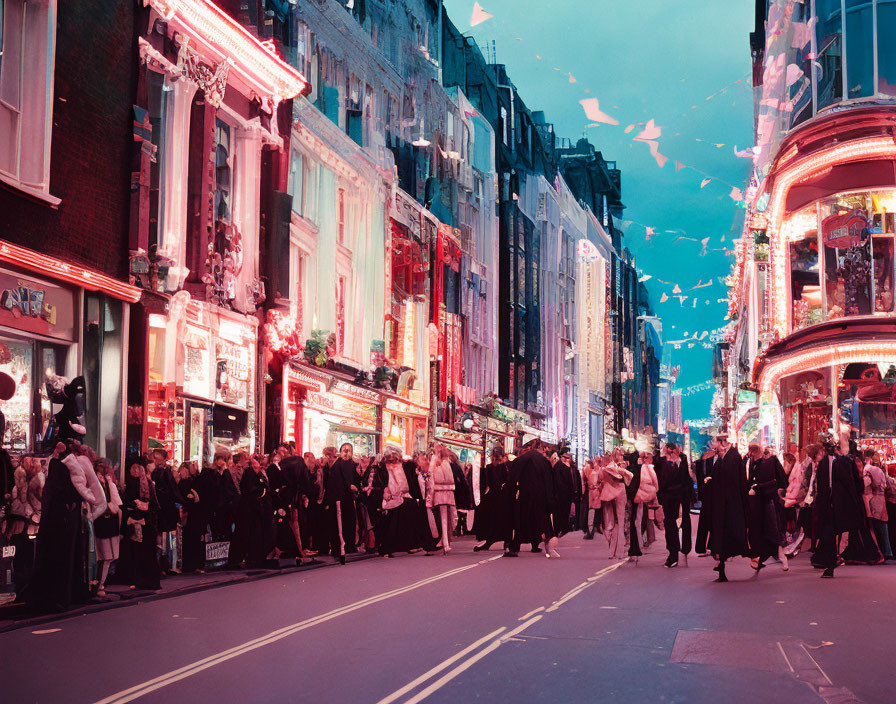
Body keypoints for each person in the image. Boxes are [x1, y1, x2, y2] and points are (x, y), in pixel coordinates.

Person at [705, 435, 748, 583]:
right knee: (722, 535)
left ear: (722, 443)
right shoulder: (724, 457)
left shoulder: (733, 457)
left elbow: (734, 481)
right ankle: (720, 564)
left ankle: (723, 562)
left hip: (729, 504)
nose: (714, 445)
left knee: (730, 534)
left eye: (716, 442)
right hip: (722, 505)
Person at [745, 445, 789, 573]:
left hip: (765, 503)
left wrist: (757, 487)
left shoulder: (760, 464)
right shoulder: (768, 462)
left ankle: (772, 558)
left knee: (770, 531)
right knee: (771, 532)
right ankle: (778, 558)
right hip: (767, 501)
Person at [506, 440, 553, 557]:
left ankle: (515, 547)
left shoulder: (523, 459)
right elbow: (549, 481)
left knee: (522, 519)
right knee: (539, 519)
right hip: (541, 494)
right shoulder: (543, 461)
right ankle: (536, 544)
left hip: (526, 493)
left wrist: (511, 491)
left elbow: (513, 475)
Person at [120, 457, 161, 591]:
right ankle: (147, 580)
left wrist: (139, 506)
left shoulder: (140, 483)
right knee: (144, 552)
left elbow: (128, 503)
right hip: (146, 522)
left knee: (139, 552)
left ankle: (141, 580)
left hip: (141, 522)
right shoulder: (146, 483)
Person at [657, 443, 692, 568]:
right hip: (670, 498)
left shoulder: (681, 461)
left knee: (676, 524)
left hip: (678, 497)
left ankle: (678, 552)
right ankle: (673, 553)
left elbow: (687, 479)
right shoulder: (663, 462)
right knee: (670, 525)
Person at [326, 443, 361, 564]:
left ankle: (348, 546)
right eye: (344, 450)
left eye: (349, 450)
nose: (346, 453)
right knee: (340, 524)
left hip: (346, 499)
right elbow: (348, 482)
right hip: (340, 498)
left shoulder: (350, 464)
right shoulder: (341, 463)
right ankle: (341, 549)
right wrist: (352, 486)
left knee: (349, 522)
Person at [473, 447, 513, 552]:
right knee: (503, 519)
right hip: (503, 497)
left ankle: (494, 540)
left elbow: (489, 482)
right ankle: (506, 541)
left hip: (494, 496)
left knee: (495, 519)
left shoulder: (492, 467)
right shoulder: (506, 466)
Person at [150, 448, 183, 574]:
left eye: (156, 458)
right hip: (163, 510)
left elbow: (171, 490)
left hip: (164, 510)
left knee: (164, 537)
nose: (154, 460)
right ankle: (164, 565)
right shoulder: (162, 472)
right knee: (162, 536)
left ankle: (164, 565)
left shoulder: (162, 472)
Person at [93, 459, 122, 597]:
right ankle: (98, 585)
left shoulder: (108, 481)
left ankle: (101, 583)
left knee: (109, 556)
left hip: (109, 520)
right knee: (103, 556)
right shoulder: (95, 481)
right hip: (101, 520)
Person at [238, 457, 275, 568]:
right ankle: (252, 558)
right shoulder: (250, 475)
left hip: (258, 510)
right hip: (251, 510)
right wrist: (262, 490)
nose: (260, 467)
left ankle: (257, 556)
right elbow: (252, 490)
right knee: (253, 534)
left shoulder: (257, 475)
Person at [598, 454, 630, 560]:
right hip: (620, 492)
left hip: (611, 495)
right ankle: (618, 551)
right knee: (619, 523)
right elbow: (629, 476)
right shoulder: (617, 468)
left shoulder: (608, 469)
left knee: (611, 523)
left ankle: (614, 551)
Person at [863, 450, 893, 561]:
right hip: (880, 499)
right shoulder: (879, 470)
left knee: (876, 527)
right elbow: (886, 485)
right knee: (882, 526)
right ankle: (887, 551)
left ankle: (881, 551)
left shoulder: (868, 469)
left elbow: (868, 486)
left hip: (873, 499)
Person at [178, 461, 207, 573]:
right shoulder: (186, 482)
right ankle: (192, 564)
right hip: (190, 514)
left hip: (193, 515)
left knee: (192, 539)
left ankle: (192, 564)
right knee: (191, 539)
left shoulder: (190, 482)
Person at [430, 445, 457, 554]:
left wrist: (430, 496)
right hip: (448, 492)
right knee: (446, 518)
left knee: (442, 519)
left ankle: (444, 541)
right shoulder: (447, 463)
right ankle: (445, 541)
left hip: (438, 492)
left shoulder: (434, 462)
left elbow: (431, 478)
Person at [633, 452, 659, 553]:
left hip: (641, 496)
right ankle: (645, 540)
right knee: (645, 519)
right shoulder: (648, 468)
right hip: (645, 496)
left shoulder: (643, 468)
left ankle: (642, 541)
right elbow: (655, 483)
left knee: (641, 520)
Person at [583, 459, 602, 540]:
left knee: (591, 512)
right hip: (596, 492)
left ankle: (590, 530)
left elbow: (584, 479)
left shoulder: (587, 470)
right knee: (595, 511)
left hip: (591, 492)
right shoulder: (598, 470)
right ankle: (594, 528)